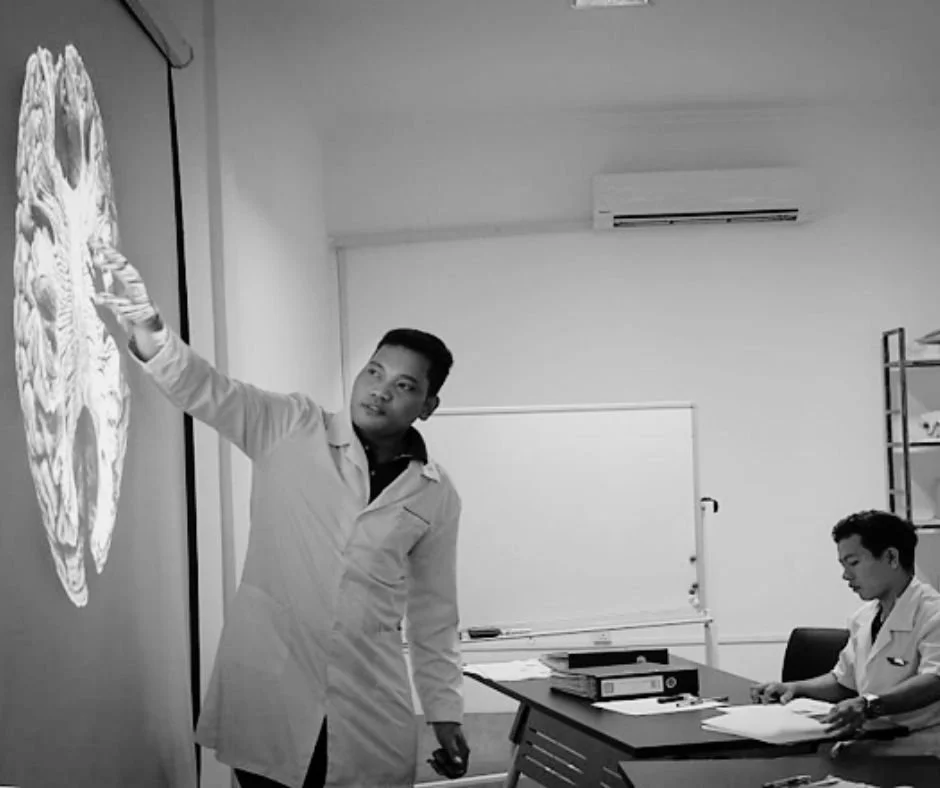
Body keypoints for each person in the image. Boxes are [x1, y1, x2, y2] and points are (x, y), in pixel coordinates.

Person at [90, 244, 470, 787]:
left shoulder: (435, 493)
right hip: (273, 688)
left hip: (369, 700)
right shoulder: (290, 425)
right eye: (374, 371)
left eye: (405, 385)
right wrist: (149, 329)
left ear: (428, 406)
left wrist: (445, 710)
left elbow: (435, 611)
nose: (380, 390)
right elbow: (205, 388)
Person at [752, 510, 940, 756]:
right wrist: (795, 687)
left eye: (854, 563)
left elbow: (935, 681)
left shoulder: (932, 613)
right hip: (871, 739)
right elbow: (843, 680)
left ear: (892, 557)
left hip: (923, 748)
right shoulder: (864, 617)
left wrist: (868, 705)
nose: (846, 575)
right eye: (843, 565)